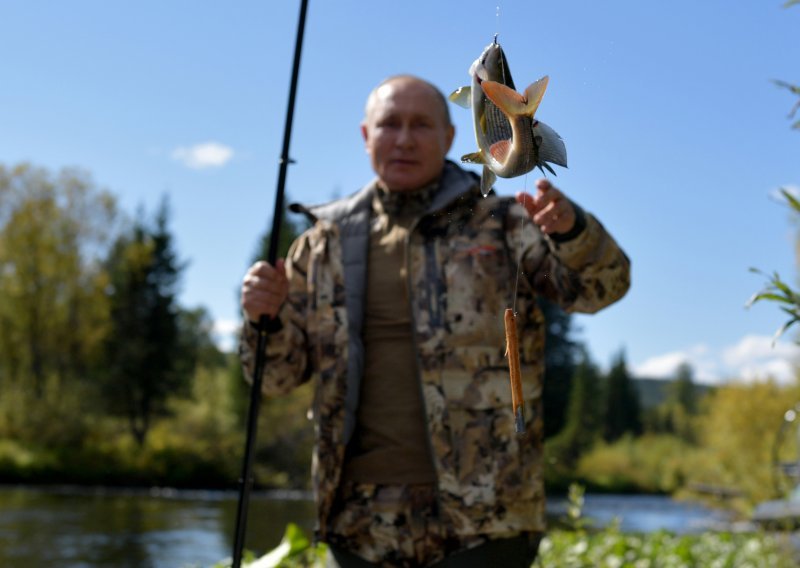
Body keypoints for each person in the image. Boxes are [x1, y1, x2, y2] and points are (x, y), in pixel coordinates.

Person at [239, 74, 630, 567]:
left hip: (487, 524)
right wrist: (262, 320)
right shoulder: (320, 246)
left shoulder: (507, 223)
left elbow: (605, 287)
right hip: (357, 525)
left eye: (421, 125)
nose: (404, 139)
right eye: (390, 125)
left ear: (449, 137)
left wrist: (572, 231)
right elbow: (273, 379)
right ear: (366, 136)